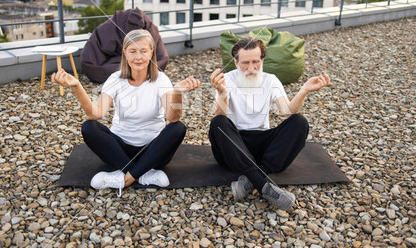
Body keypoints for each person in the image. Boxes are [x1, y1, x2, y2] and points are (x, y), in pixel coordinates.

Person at [52, 29, 201, 196]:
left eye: (143, 51)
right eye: (133, 51)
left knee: (177, 127)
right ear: (125, 53)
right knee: (89, 127)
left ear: (151, 53)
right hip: (119, 151)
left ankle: (123, 177)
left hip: (152, 151)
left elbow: (172, 117)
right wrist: (77, 86)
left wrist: (178, 92)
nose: (138, 57)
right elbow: (96, 114)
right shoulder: (115, 79)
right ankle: (143, 174)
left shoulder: (162, 80)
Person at [209, 37, 330, 210]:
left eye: (256, 62)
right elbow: (220, 114)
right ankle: (263, 185)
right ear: (235, 62)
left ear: (262, 60)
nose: (251, 68)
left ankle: (250, 180)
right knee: (218, 123)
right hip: (234, 147)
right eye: (245, 63)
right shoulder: (225, 80)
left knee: (299, 122)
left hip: (263, 146)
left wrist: (304, 91)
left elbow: (287, 111)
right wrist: (221, 92)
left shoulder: (270, 80)